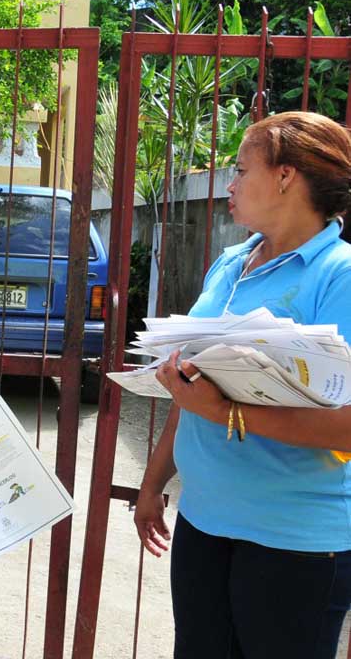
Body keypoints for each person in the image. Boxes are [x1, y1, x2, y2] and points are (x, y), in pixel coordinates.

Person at [135, 111, 351, 659]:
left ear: (286, 176)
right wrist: (153, 482)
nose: (229, 184)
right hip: (205, 521)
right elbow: (195, 388)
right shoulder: (232, 263)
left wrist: (225, 412)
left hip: (293, 539)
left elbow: (346, 424)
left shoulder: (338, 273)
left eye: (240, 169)